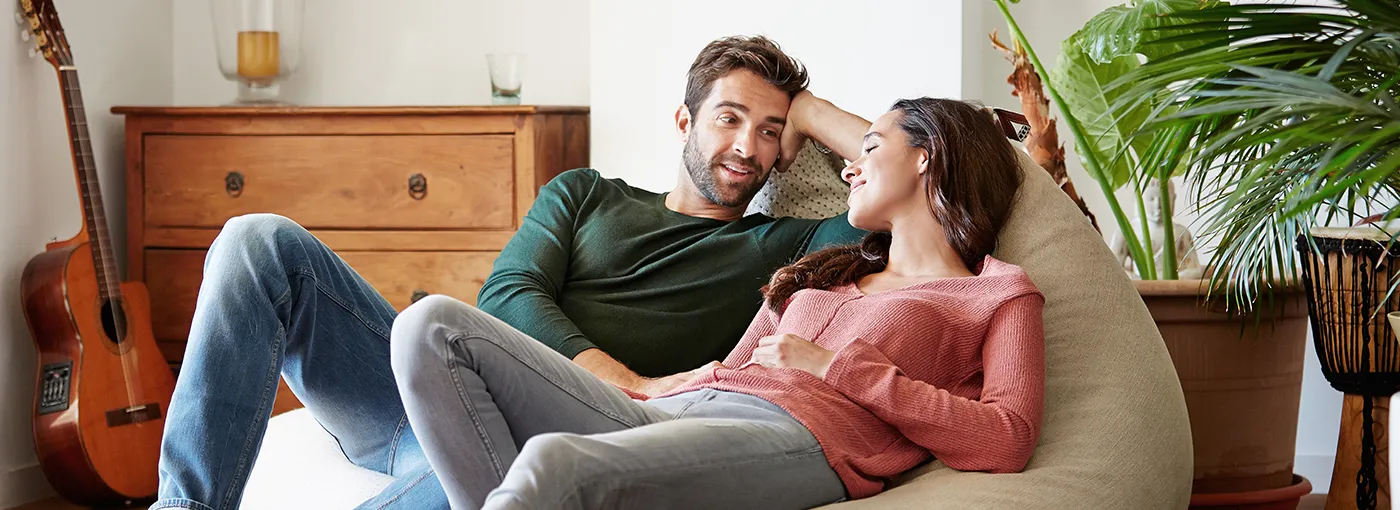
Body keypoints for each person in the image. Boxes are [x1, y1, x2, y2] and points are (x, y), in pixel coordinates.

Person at [152, 36, 873, 510]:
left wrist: (812, 108)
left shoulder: (786, 246)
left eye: (771, 130)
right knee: (257, 240)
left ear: (787, 151)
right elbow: (508, 294)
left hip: (528, 431)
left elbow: (907, 196)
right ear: (684, 123)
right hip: (419, 383)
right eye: (730, 118)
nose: (746, 145)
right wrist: (627, 380)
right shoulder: (586, 192)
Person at [391, 97, 1047, 509]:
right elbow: (730, 370)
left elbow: (1008, 439)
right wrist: (646, 391)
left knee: (552, 462)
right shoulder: (819, 270)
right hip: (685, 410)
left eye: (869, 149)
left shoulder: (995, 292)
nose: (851, 166)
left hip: (801, 439)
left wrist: (839, 368)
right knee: (429, 327)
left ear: (928, 159)